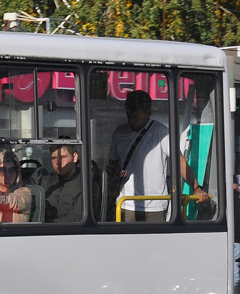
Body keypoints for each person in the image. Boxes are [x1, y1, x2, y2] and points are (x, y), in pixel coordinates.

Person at [107, 90, 209, 222]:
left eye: (136, 117)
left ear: (148, 113)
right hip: (126, 203)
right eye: (129, 115)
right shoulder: (119, 133)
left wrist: (196, 187)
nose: (131, 120)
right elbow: (111, 165)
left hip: (155, 205)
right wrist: (115, 172)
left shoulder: (161, 133)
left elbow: (180, 162)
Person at [43, 144, 86, 223]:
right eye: (54, 158)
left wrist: (50, 225)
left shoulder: (85, 185)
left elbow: (78, 219)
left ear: (75, 157)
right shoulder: (47, 183)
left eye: (63, 157)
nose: (58, 162)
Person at [0, 148, 33, 223]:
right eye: (2, 170)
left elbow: (11, 201)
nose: (7, 174)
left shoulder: (24, 192)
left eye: (12, 170)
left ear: (17, 172)